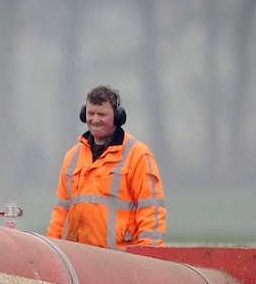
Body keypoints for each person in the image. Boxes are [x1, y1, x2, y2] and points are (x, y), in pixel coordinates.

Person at [47, 85, 166, 249]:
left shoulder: (138, 156)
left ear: (117, 117)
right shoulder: (72, 156)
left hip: (120, 262)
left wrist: (149, 256)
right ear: (84, 114)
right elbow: (61, 211)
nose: (95, 120)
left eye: (102, 114)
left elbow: (151, 210)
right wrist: (52, 249)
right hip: (76, 258)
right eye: (90, 113)